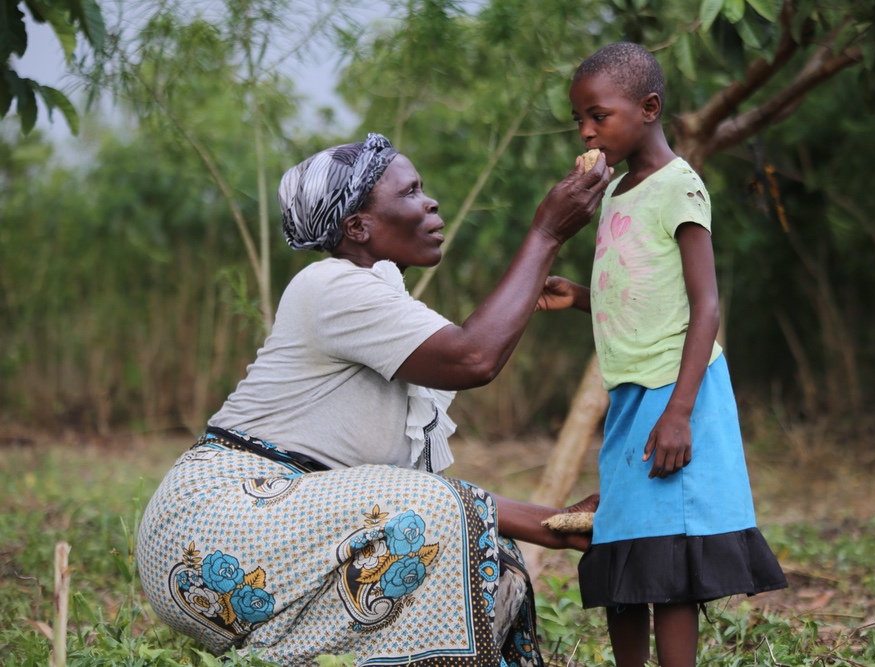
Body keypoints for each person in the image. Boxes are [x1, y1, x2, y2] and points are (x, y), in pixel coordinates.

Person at [136, 132, 611, 667]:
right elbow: (473, 359)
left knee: (485, 562)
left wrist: (555, 526)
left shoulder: (380, 303)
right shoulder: (333, 285)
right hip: (212, 527)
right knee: (437, 520)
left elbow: (413, 500)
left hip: (263, 540)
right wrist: (547, 231)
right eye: (409, 192)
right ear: (358, 227)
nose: (430, 202)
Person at [535, 42, 787, 667]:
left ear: (648, 108)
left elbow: (704, 307)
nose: (588, 130)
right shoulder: (616, 191)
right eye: (581, 121)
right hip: (629, 394)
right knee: (621, 544)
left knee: (668, 553)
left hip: (675, 390)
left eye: (599, 115)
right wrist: (585, 296)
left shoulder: (681, 186)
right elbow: (646, 293)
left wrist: (679, 412)